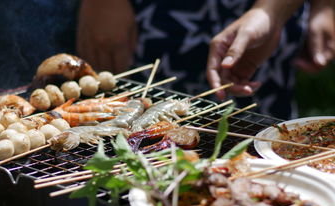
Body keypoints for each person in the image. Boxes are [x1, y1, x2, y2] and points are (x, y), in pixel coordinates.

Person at [76, 0, 335, 120]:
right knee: (129, 119)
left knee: (259, 129)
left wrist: (273, 13)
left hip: (265, 14)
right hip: (152, 16)